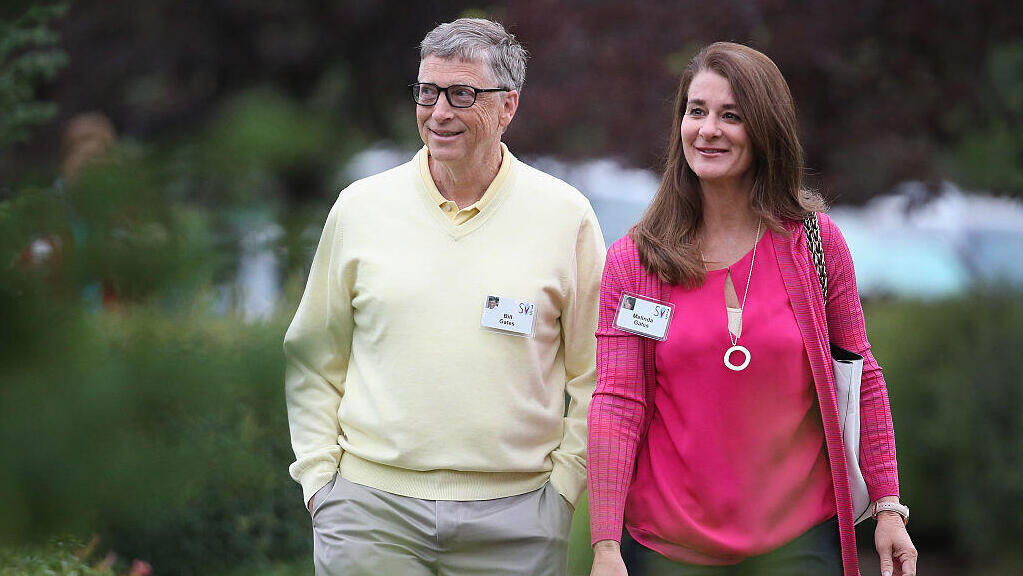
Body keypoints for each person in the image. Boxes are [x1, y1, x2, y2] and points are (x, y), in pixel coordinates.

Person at [284, 18, 605, 576]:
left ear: (508, 106)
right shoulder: (360, 208)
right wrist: (320, 485)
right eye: (427, 92)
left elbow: (593, 372)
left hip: (518, 521)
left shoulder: (565, 216)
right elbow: (314, 354)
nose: (438, 113)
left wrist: (563, 491)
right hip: (369, 515)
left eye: (461, 94)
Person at [587, 43, 917, 576]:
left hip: (798, 547)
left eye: (731, 116)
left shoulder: (816, 245)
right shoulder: (636, 260)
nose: (708, 130)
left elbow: (862, 378)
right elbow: (617, 405)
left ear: (765, 129)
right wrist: (605, 545)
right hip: (667, 551)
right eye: (696, 111)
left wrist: (888, 507)